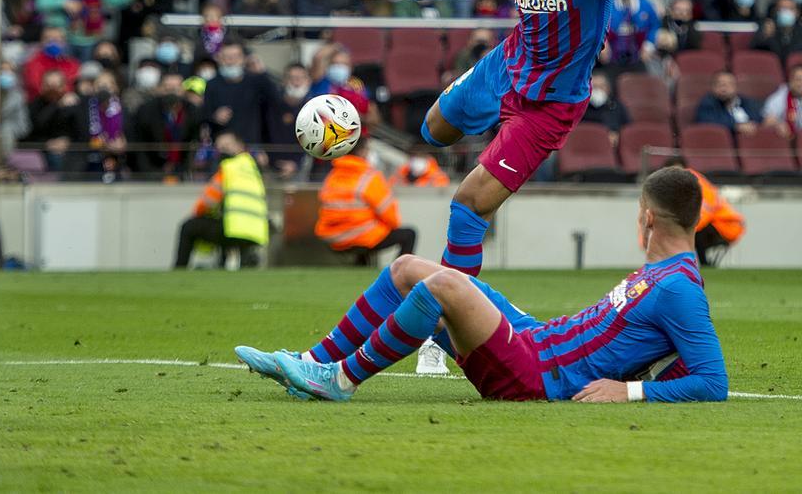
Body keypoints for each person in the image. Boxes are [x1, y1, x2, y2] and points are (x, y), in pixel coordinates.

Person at [330, 0, 718, 278]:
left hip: (548, 107)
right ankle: (494, 136)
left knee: (468, 205)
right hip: (507, 66)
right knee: (433, 130)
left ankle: (449, 333)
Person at [236, 166, 729, 404]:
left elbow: (713, 381)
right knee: (408, 267)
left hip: (537, 377)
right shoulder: (660, 274)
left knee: (445, 289)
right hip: (537, 341)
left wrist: (631, 393)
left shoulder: (678, 287)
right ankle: (314, 362)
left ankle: (340, 380)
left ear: (646, 217)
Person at [173, 132, 269, 268]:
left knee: (189, 227)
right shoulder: (253, 167)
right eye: (220, 147)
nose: (223, 150)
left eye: (227, 145)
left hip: (234, 230)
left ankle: (178, 270)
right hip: (256, 232)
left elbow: (208, 202)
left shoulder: (229, 167)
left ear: (240, 146)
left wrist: (198, 213)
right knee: (223, 221)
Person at [315, 138, 415, 265]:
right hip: (359, 236)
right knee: (409, 234)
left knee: (369, 235)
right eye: (367, 149)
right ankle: (398, 273)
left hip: (333, 238)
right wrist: (391, 226)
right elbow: (388, 213)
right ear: (362, 152)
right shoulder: (369, 177)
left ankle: (360, 267)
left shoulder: (333, 175)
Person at [663, 158, 745, 267]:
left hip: (725, 225)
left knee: (695, 232)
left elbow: (705, 212)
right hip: (716, 224)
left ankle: (704, 264)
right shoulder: (680, 187)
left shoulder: (695, 182)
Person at [202, 43, 280, 147]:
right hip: (223, 146)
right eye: (226, 57)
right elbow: (204, 114)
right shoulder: (212, 84)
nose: (231, 61)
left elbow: (276, 100)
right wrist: (215, 117)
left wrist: (262, 72)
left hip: (250, 144)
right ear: (219, 58)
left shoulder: (255, 80)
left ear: (243, 58)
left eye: (235, 57)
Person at [694, 71, 763, 136]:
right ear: (713, 88)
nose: (724, 88)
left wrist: (765, 120)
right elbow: (707, 121)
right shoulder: (707, 103)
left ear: (736, 87)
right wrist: (736, 126)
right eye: (720, 84)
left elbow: (758, 117)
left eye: (729, 84)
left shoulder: (745, 101)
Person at [581, 72, 630, 146]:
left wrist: (618, 135)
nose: (597, 91)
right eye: (594, 87)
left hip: (613, 147)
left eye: (601, 87)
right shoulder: (580, 107)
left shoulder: (617, 106)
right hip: (585, 144)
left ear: (608, 88)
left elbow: (628, 127)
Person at [763, 64, 802, 137]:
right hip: (785, 139)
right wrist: (778, 124)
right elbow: (767, 121)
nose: (801, 84)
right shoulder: (780, 96)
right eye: (798, 80)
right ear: (790, 81)